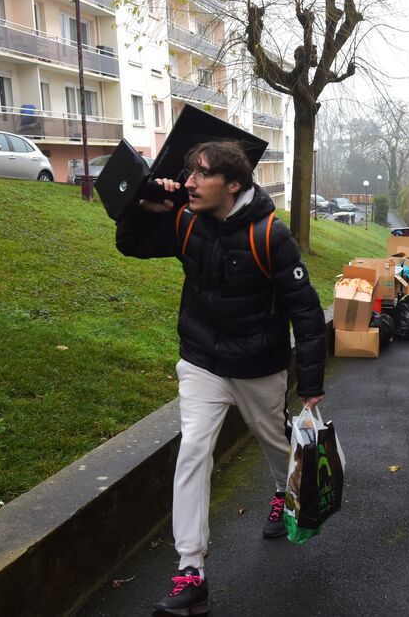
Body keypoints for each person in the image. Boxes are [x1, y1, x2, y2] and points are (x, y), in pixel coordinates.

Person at [115, 141, 326, 614]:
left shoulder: (271, 235)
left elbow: (306, 312)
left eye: (200, 174)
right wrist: (143, 207)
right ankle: (191, 571)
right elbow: (130, 244)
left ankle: (280, 489)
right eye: (188, 173)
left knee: (275, 441)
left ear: (233, 184)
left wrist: (311, 385)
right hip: (202, 361)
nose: (188, 181)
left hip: (256, 366)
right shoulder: (186, 219)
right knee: (193, 449)